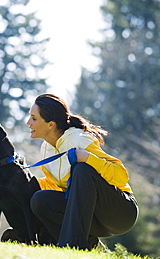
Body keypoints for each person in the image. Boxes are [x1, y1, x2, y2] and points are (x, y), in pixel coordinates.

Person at [27, 93, 138, 250]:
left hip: (120, 212)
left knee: (82, 169)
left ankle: (72, 245)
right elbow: (56, 185)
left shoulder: (79, 140)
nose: (28, 122)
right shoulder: (46, 149)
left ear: (51, 124)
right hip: (91, 217)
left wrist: (87, 158)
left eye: (34, 118)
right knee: (40, 200)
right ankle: (86, 245)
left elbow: (121, 176)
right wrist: (25, 180)